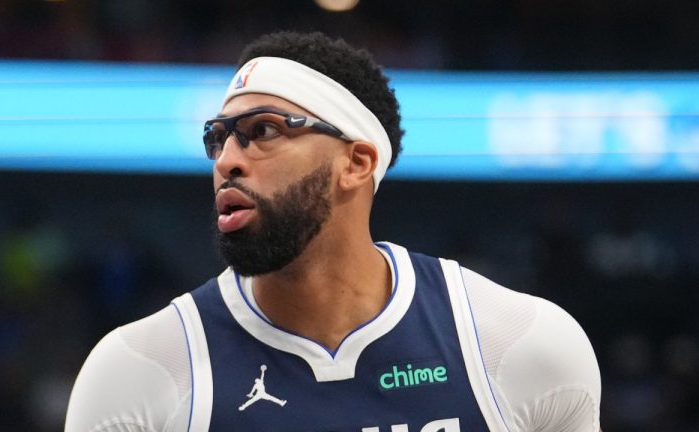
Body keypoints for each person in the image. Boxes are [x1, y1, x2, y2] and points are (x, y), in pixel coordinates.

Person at [65, 31, 601, 432]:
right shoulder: (139, 371)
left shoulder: (522, 345)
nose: (227, 160)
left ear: (357, 162)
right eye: (219, 139)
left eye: (263, 131)